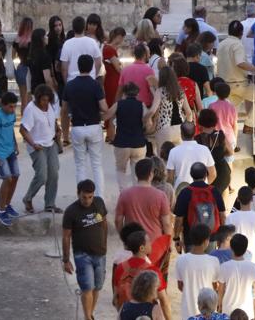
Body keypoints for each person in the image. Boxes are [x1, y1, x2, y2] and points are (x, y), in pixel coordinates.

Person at [65, 54, 115, 194]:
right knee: (96, 164)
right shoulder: (95, 85)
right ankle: (99, 197)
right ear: (92, 67)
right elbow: (104, 107)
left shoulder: (70, 85)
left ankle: (82, 197)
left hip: (77, 127)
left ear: (78, 66)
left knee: (80, 165)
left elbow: (64, 108)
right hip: (94, 126)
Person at [62, 179, 109, 320]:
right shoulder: (71, 211)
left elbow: (104, 223)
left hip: (100, 254)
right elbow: (66, 236)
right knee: (87, 287)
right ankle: (88, 317)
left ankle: (89, 315)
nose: (87, 200)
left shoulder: (99, 203)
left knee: (97, 287)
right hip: (82, 256)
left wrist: (104, 243)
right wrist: (66, 260)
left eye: (90, 197)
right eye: (84, 197)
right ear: (78, 194)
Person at [20, 84, 62, 213]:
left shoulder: (50, 106)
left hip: (51, 144)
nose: (46, 103)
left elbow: (53, 120)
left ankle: (50, 204)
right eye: (43, 100)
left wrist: (57, 129)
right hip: (37, 146)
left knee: (54, 174)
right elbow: (23, 130)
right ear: (38, 98)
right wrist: (33, 144)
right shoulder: (30, 109)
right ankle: (28, 198)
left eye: (48, 100)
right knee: (42, 175)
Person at [117, 157, 175, 244]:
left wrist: (124, 238)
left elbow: (118, 220)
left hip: (134, 240)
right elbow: (167, 221)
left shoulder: (126, 194)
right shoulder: (165, 191)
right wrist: (169, 243)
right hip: (156, 240)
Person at [173, 224, 222, 320]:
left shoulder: (181, 260)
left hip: (188, 309)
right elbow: (215, 286)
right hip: (208, 309)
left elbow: (180, 286)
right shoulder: (214, 261)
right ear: (206, 241)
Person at [114, 82, 158, 190]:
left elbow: (107, 115)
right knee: (137, 172)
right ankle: (137, 193)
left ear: (124, 93)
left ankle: (123, 194)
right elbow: (148, 124)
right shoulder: (141, 105)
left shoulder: (119, 104)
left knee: (121, 170)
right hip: (138, 143)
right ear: (137, 94)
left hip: (122, 143)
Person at [0, 91, 22, 225]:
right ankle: (1, 210)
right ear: (3, 105)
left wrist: (15, 144)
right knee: (7, 179)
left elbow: (11, 129)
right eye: (10, 107)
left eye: (14, 106)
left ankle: (7, 205)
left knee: (16, 176)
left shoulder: (12, 114)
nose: (13, 109)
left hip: (10, 150)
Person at [173, 163, 226, 247]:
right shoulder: (214, 191)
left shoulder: (185, 192)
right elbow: (222, 215)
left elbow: (179, 219)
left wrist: (176, 237)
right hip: (211, 237)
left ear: (191, 175)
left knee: (192, 256)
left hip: (191, 238)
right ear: (206, 175)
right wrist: (223, 236)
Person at [217, 234, 255, 319]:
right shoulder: (253, 267)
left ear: (231, 248)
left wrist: (219, 305)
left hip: (228, 310)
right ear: (246, 249)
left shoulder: (224, 267)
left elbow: (221, 290)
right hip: (247, 311)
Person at [152, 65, 194, 148]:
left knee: (164, 155)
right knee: (178, 155)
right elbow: (189, 113)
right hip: (180, 129)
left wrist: (146, 119)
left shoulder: (160, 91)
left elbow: (152, 111)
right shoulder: (180, 91)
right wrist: (187, 127)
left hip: (164, 128)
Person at [226, 187, 255, 269]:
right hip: (254, 258)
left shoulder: (230, 217)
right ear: (252, 199)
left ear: (238, 199)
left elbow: (227, 240)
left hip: (235, 258)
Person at [196, 108, 232, 193]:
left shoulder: (197, 139)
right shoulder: (220, 135)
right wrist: (221, 153)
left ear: (200, 123)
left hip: (207, 174)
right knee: (224, 192)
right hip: (223, 172)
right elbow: (231, 152)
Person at [61, 16, 103, 84]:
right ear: (84, 27)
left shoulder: (67, 44)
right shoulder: (92, 42)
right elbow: (98, 63)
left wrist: (67, 83)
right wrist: (93, 76)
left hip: (72, 81)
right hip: (90, 80)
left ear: (73, 28)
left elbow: (64, 67)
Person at [121, 42, 159, 107]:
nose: (149, 56)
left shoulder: (125, 70)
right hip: (144, 107)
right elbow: (154, 90)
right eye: (149, 53)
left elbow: (120, 90)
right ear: (144, 55)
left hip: (127, 105)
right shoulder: (149, 70)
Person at [12, 16, 34, 107]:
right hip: (31, 69)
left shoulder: (17, 40)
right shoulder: (33, 40)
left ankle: (23, 115)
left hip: (21, 68)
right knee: (30, 97)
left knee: (23, 98)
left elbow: (12, 56)